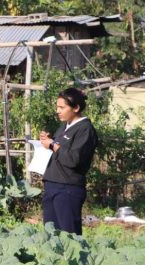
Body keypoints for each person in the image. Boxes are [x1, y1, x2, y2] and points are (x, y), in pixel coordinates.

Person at [39, 87, 99, 235]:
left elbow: (74, 159)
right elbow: (59, 150)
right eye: (57, 107)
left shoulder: (85, 129)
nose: (58, 111)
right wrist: (48, 141)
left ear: (76, 108)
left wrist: (53, 145)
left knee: (69, 236)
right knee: (51, 234)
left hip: (68, 188)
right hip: (52, 184)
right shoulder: (63, 127)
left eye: (62, 107)